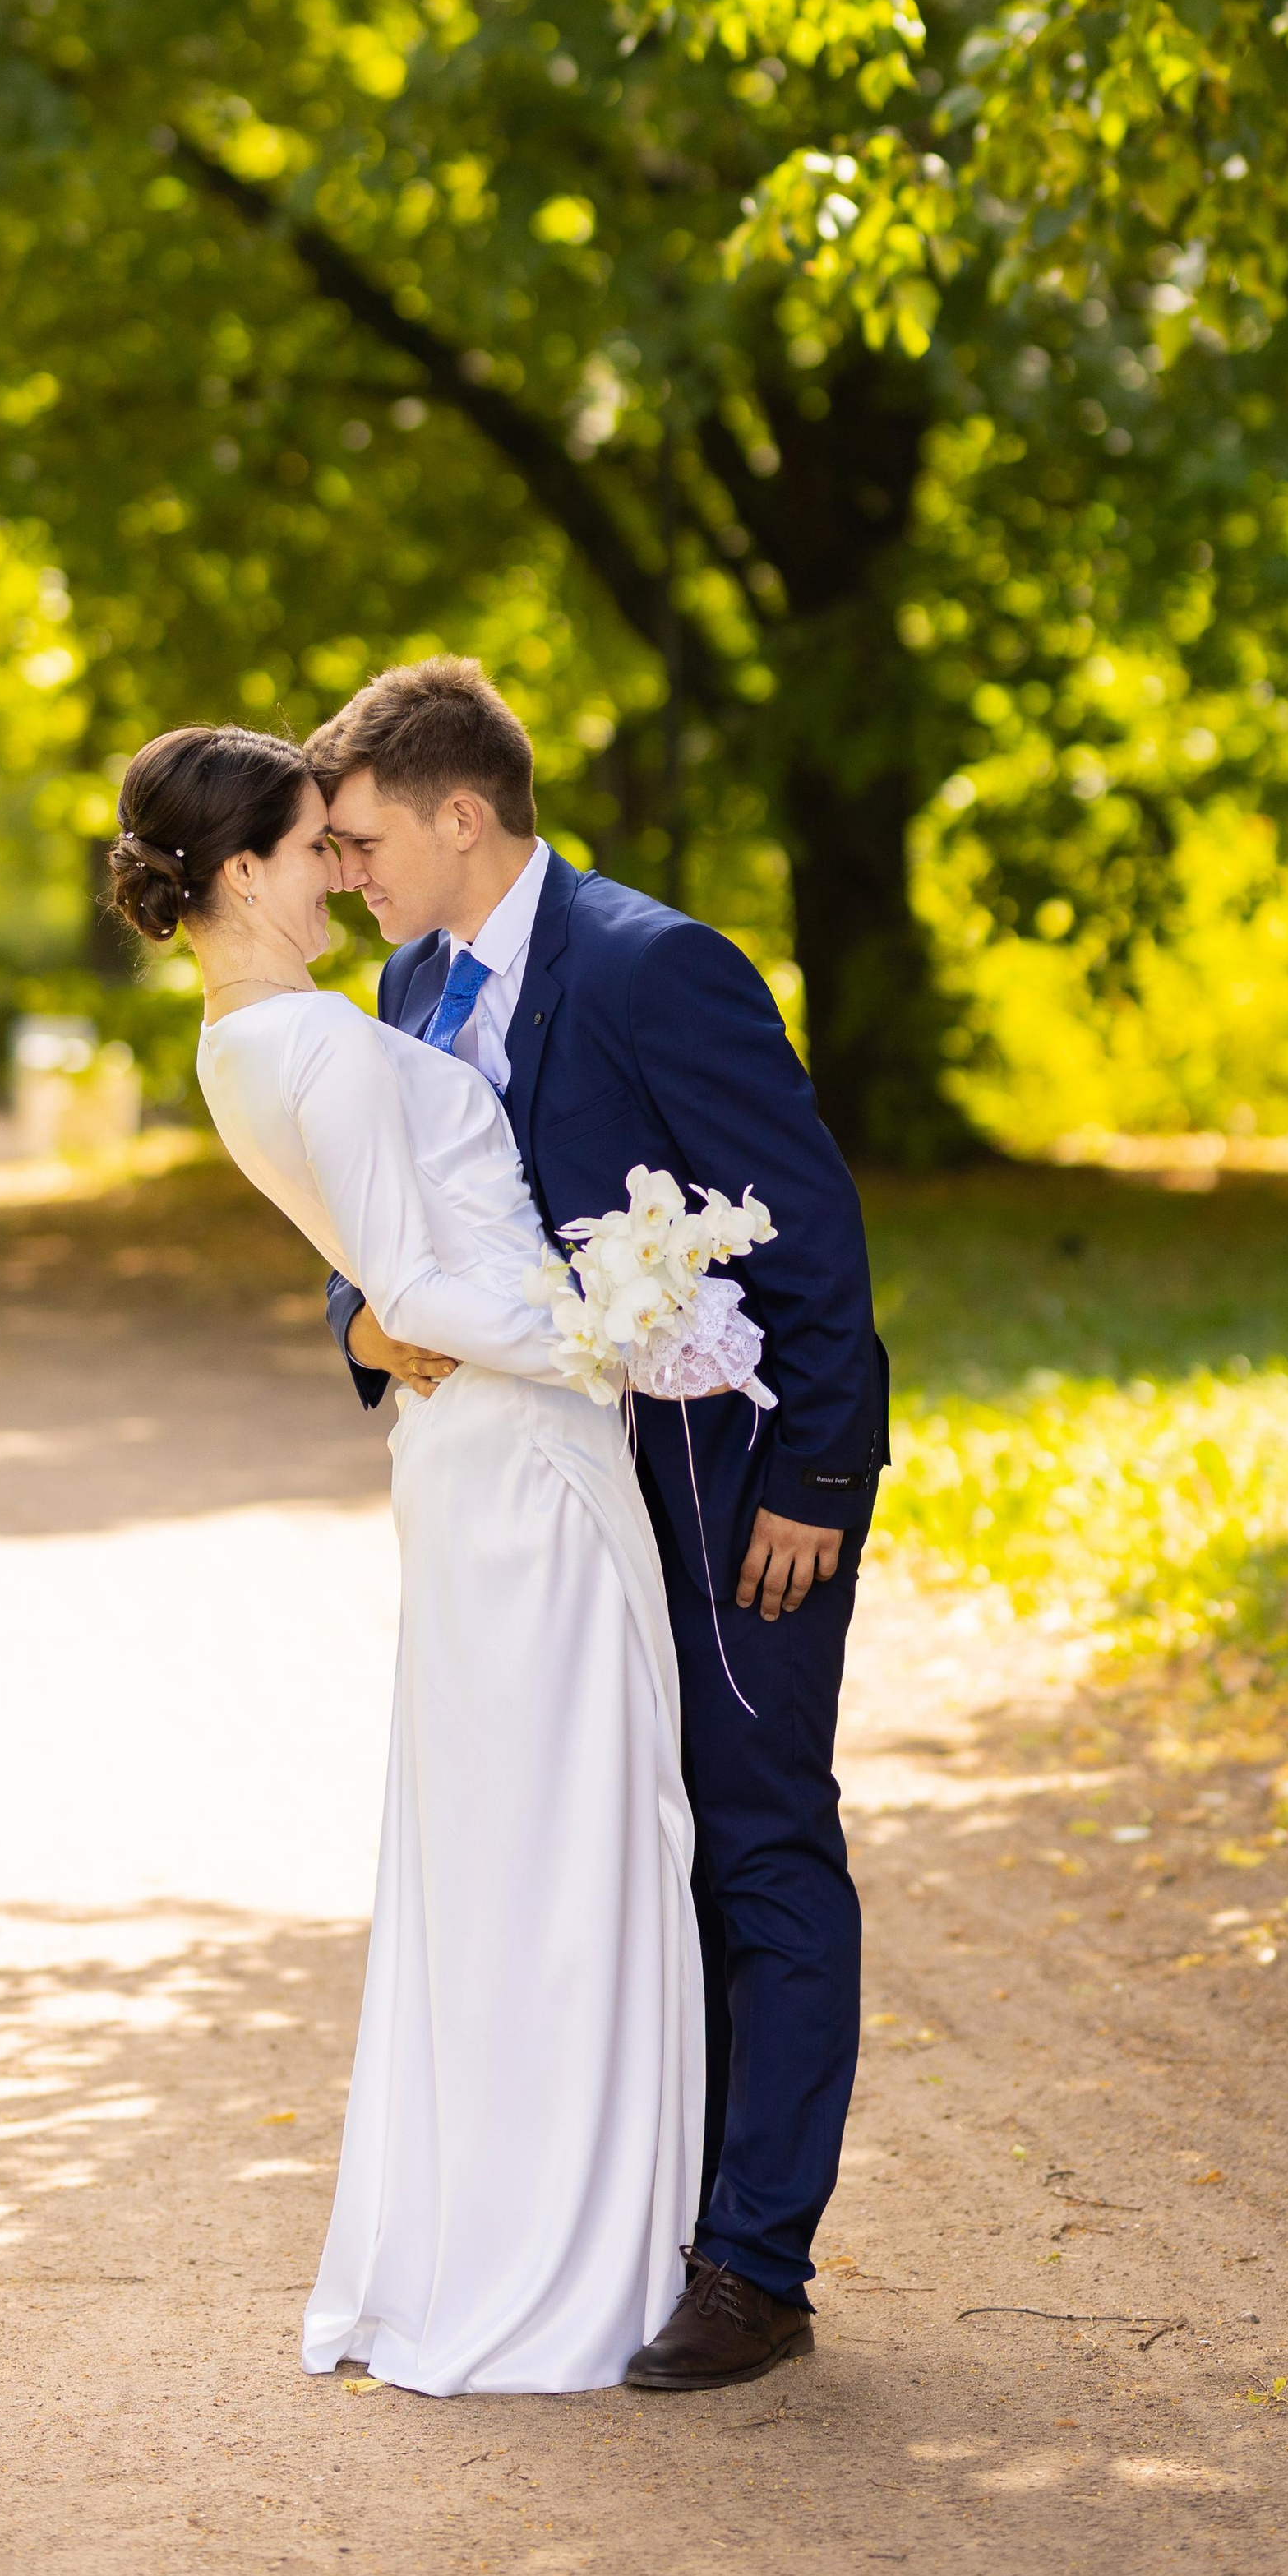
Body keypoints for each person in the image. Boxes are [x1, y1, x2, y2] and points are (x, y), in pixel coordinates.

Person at [307, 659, 888, 2392]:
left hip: (723, 1489)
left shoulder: (654, 967)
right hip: (548, 1506)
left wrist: (813, 1483)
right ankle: (629, 2226)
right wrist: (356, 1322)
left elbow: (810, 1241)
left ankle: (753, 2265)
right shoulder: (413, 984)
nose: (343, 875)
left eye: (358, 839)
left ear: (459, 813)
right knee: (608, 1851)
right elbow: (389, 1212)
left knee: (750, 1830)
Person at [106, 724, 704, 2397]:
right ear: (239, 873)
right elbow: (422, 1292)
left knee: (527, 1840)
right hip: (517, 1454)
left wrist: (498, 1320)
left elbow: (393, 1274)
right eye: (316, 849)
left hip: (492, 1458)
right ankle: (544, 2271)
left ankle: (524, 2238)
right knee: (552, 1849)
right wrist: (614, 1333)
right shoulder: (313, 1044)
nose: (343, 870)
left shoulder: (249, 1046)